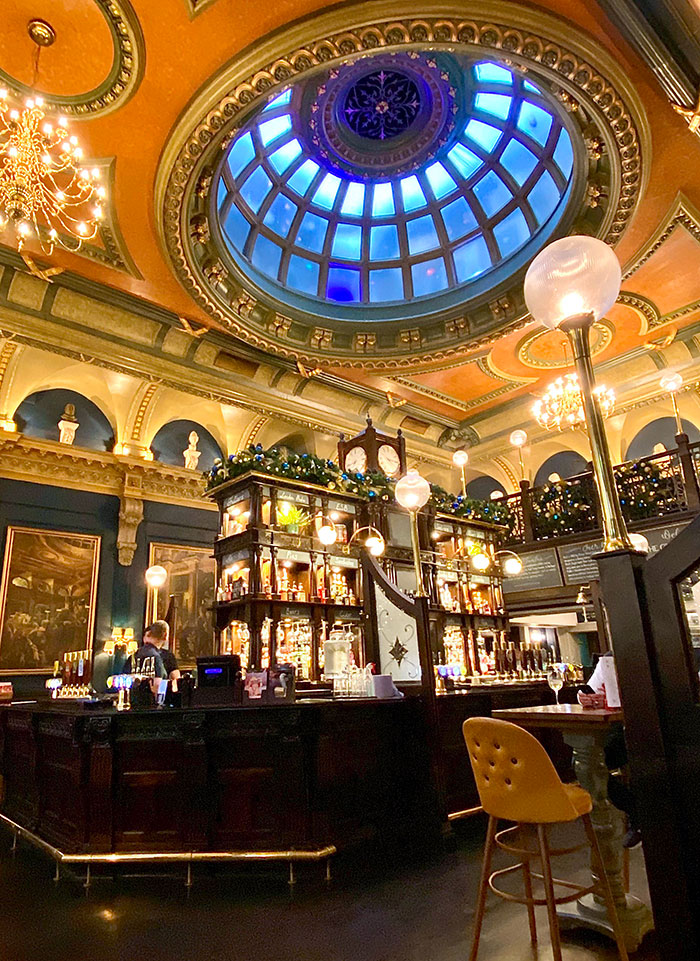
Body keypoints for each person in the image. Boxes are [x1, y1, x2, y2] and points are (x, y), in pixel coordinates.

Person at [585, 651, 641, 848]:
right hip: (619, 726)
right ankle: (637, 812)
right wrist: (590, 699)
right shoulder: (609, 659)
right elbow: (588, 691)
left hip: (649, 723)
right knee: (588, 764)